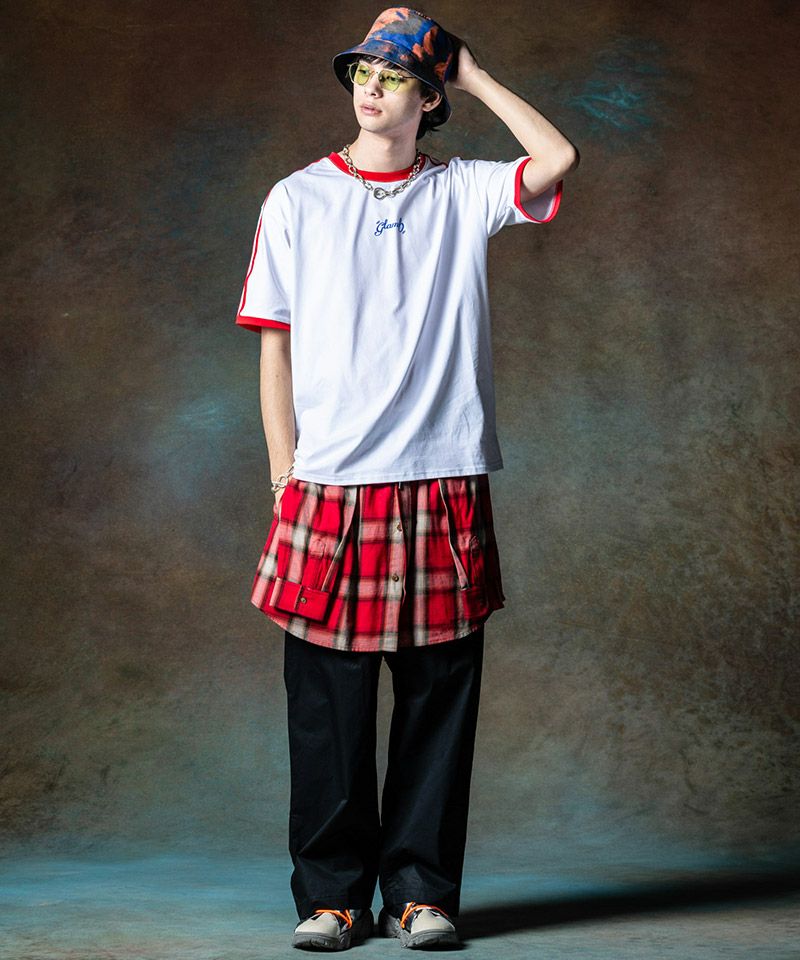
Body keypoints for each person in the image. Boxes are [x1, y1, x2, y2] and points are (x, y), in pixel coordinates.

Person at [235, 6, 578, 951]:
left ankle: (421, 894)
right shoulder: (296, 198)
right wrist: (283, 476)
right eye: (363, 72)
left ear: (428, 99)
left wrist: (474, 74)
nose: (371, 88)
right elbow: (274, 347)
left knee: (438, 702)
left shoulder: (465, 190)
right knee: (328, 710)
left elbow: (556, 159)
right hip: (330, 483)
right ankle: (333, 899)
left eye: (393, 77)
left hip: (443, 476)